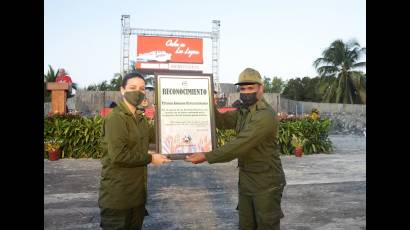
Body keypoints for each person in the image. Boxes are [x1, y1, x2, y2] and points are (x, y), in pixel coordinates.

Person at [186, 68, 287, 230]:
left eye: (250, 88)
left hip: (266, 181)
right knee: (246, 224)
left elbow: (238, 145)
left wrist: (207, 156)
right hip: (247, 178)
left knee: (266, 224)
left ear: (261, 88)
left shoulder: (265, 115)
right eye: (242, 89)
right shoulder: (243, 112)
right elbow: (221, 122)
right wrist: (210, 104)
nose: (246, 92)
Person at [98, 72, 171, 230]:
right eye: (132, 87)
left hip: (136, 197)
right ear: (122, 90)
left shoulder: (140, 118)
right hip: (118, 199)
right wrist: (151, 159)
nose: (138, 91)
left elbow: (158, 137)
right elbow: (119, 156)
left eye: (142, 88)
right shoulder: (116, 118)